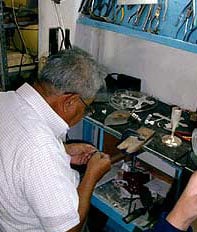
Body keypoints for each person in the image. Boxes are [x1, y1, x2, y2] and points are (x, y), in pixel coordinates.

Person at [0, 47, 111, 232]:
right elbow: (69, 230)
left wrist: (63, 151)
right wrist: (92, 175)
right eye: (86, 107)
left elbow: (14, 152)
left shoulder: (5, 100)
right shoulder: (41, 150)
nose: (84, 113)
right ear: (70, 101)